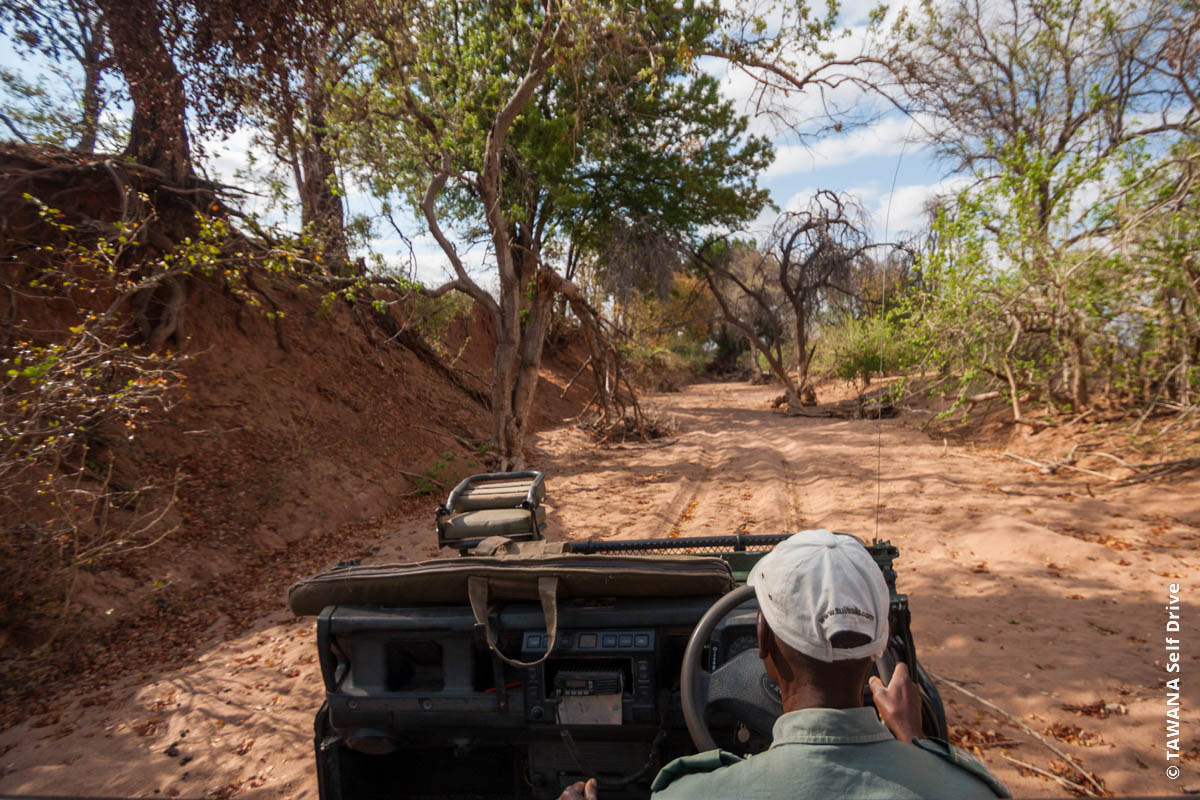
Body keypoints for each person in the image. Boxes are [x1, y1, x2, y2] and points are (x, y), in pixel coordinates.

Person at [559, 531, 1010, 800]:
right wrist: (915, 748)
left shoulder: (690, 793)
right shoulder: (972, 791)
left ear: (763, 638)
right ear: (876, 649)